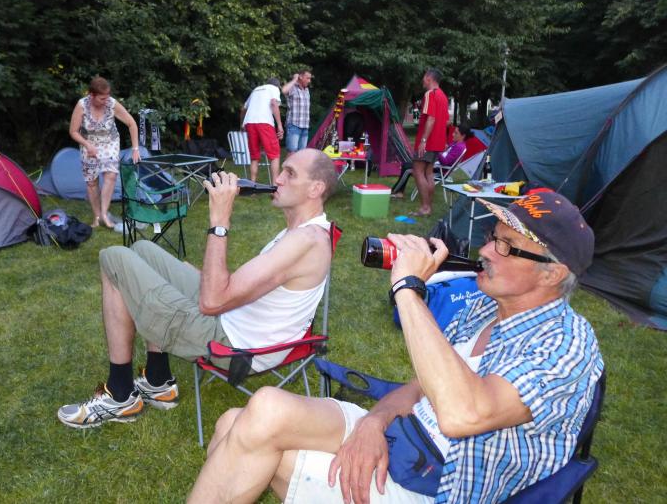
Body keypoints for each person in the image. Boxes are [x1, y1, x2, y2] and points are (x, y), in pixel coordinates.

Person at [188, 191, 604, 504]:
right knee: (252, 412)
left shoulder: (566, 346)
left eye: (506, 246)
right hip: (404, 435)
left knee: (251, 443)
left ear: (553, 274)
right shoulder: (484, 306)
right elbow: (424, 386)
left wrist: (408, 288)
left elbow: (463, 413)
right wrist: (374, 421)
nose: (483, 251)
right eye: (492, 237)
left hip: (444, 482)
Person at [57, 148, 339, 429]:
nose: (277, 179)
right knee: (143, 249)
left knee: (113, 257)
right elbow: (241, 290)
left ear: (315, 188)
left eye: (290, 174)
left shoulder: (305, 241)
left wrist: (220, 222)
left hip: (235, 345)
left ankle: (120, 396)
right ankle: (158, 381)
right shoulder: (303, 233)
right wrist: (198, 278)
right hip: (235, 316)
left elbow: (212, 301)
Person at [69, 76, 140, 229]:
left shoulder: (112, 104)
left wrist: (135, 148)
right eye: (102, 98)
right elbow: (73, 131)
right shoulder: (82, 105)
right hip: (88, 143)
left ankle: (104, 214)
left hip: (109, 142)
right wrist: (87, 145)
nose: (106, 100)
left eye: (107, 96)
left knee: (111, 175)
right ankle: (97, 217)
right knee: (91, 182)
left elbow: (131, 123)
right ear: (91, 95)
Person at [392, 124, 471, 199]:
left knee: (407, 168)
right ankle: (399, 192)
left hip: (439, 170)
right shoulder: (455, 144)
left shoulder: (459, 147)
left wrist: (437, 151)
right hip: (435, 165)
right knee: (407, 165)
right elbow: (445, 154)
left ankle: (396, 191)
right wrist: (442, 149)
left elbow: (445, 161)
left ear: (463, 136)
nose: (453, 134)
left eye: (456, 133)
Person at [410, 69, 449, 216]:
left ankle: (425, 207)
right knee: (428, 173)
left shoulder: (430, 94)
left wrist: (423, 141)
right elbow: (446, 121)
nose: (422, 80)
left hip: (428, 141)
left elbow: (431, 118)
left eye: (423, 77)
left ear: (428, 78)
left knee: (418, 171)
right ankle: (428, 207)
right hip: (437, 142)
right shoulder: (443, 96)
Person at [241, 78, 284, 183]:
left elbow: (243, 108)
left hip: (249, 122)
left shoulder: (256, 90)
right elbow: (273, 103)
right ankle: (275, 186)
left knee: (254, 156)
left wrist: (242, 124)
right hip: (264, 122)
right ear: (277, 86)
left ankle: (252, 184)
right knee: (274, 155)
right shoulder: (274, 89)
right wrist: (279, 125)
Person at [282, 69, 313, 152]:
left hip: (305, 126)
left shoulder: (306, 90)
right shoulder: (293, 88)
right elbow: (284, 90)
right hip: (294, 125)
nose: (309, 81)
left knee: (301, 153)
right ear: (301, 77)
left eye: (310, 78)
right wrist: (294, 79)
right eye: (307, 78)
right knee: (292, 152)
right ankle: (288, 162)